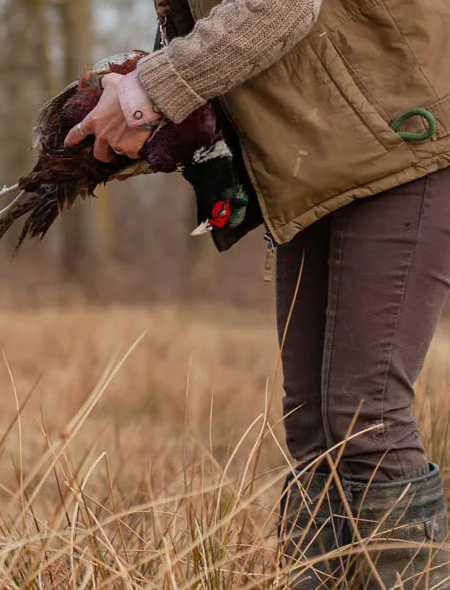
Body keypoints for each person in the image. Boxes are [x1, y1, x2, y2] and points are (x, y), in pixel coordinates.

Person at [65, 0, 450, 588]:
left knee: (364, 418)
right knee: (312, 427)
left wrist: (150, 90)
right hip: (316, 157)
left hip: (405, 138)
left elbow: (280, 6)